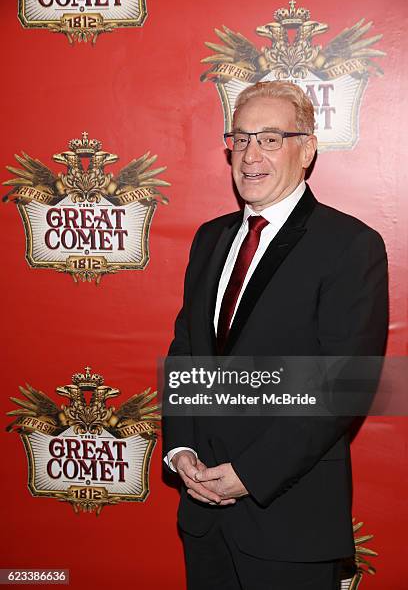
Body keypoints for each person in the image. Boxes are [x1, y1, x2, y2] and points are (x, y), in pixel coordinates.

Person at [162, 81, 388, 590]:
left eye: (269, 138)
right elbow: (186, 356)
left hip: (290, 520)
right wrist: (179, 452)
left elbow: (343, 387)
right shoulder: (210, 238)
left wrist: (250, 473)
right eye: (240, 139)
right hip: (203, 521)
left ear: (306, 149)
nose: (249, 155)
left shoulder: (350, 245)